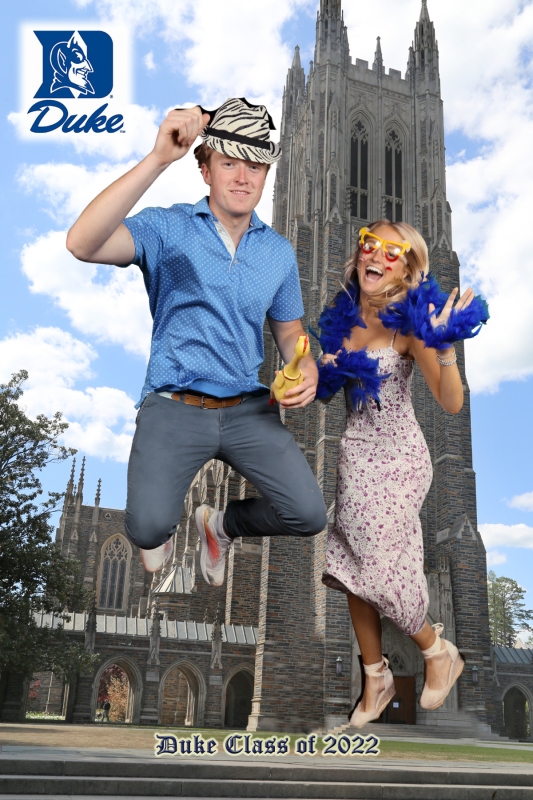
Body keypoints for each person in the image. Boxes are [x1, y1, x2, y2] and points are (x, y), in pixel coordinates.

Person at [66, 97, 327, 585]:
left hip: (248, 411)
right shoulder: (167, 227)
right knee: (147, 527)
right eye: (229, 163)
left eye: (255, 166)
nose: (243, 177)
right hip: (174, 406)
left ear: (266, 176)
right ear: (205, 170)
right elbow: (82, 243)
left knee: (309, 514)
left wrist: (307, 368)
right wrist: (158, 158)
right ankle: (161, 527)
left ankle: (220, 525)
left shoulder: (279, 253)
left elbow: (291, 332)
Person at [315, 220, 488, 727]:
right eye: (369, 243)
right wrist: (308, 372)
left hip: (400, 457)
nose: (376, 255)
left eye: (392, 252)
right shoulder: (342, 318)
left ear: (408, 269)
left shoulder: (410, 326)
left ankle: (436, 651)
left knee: (373, 562)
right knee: (350, 566)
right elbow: (323, 388)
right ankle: (376, 676)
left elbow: (450, 402)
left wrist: (446, 347)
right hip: (355, 453)